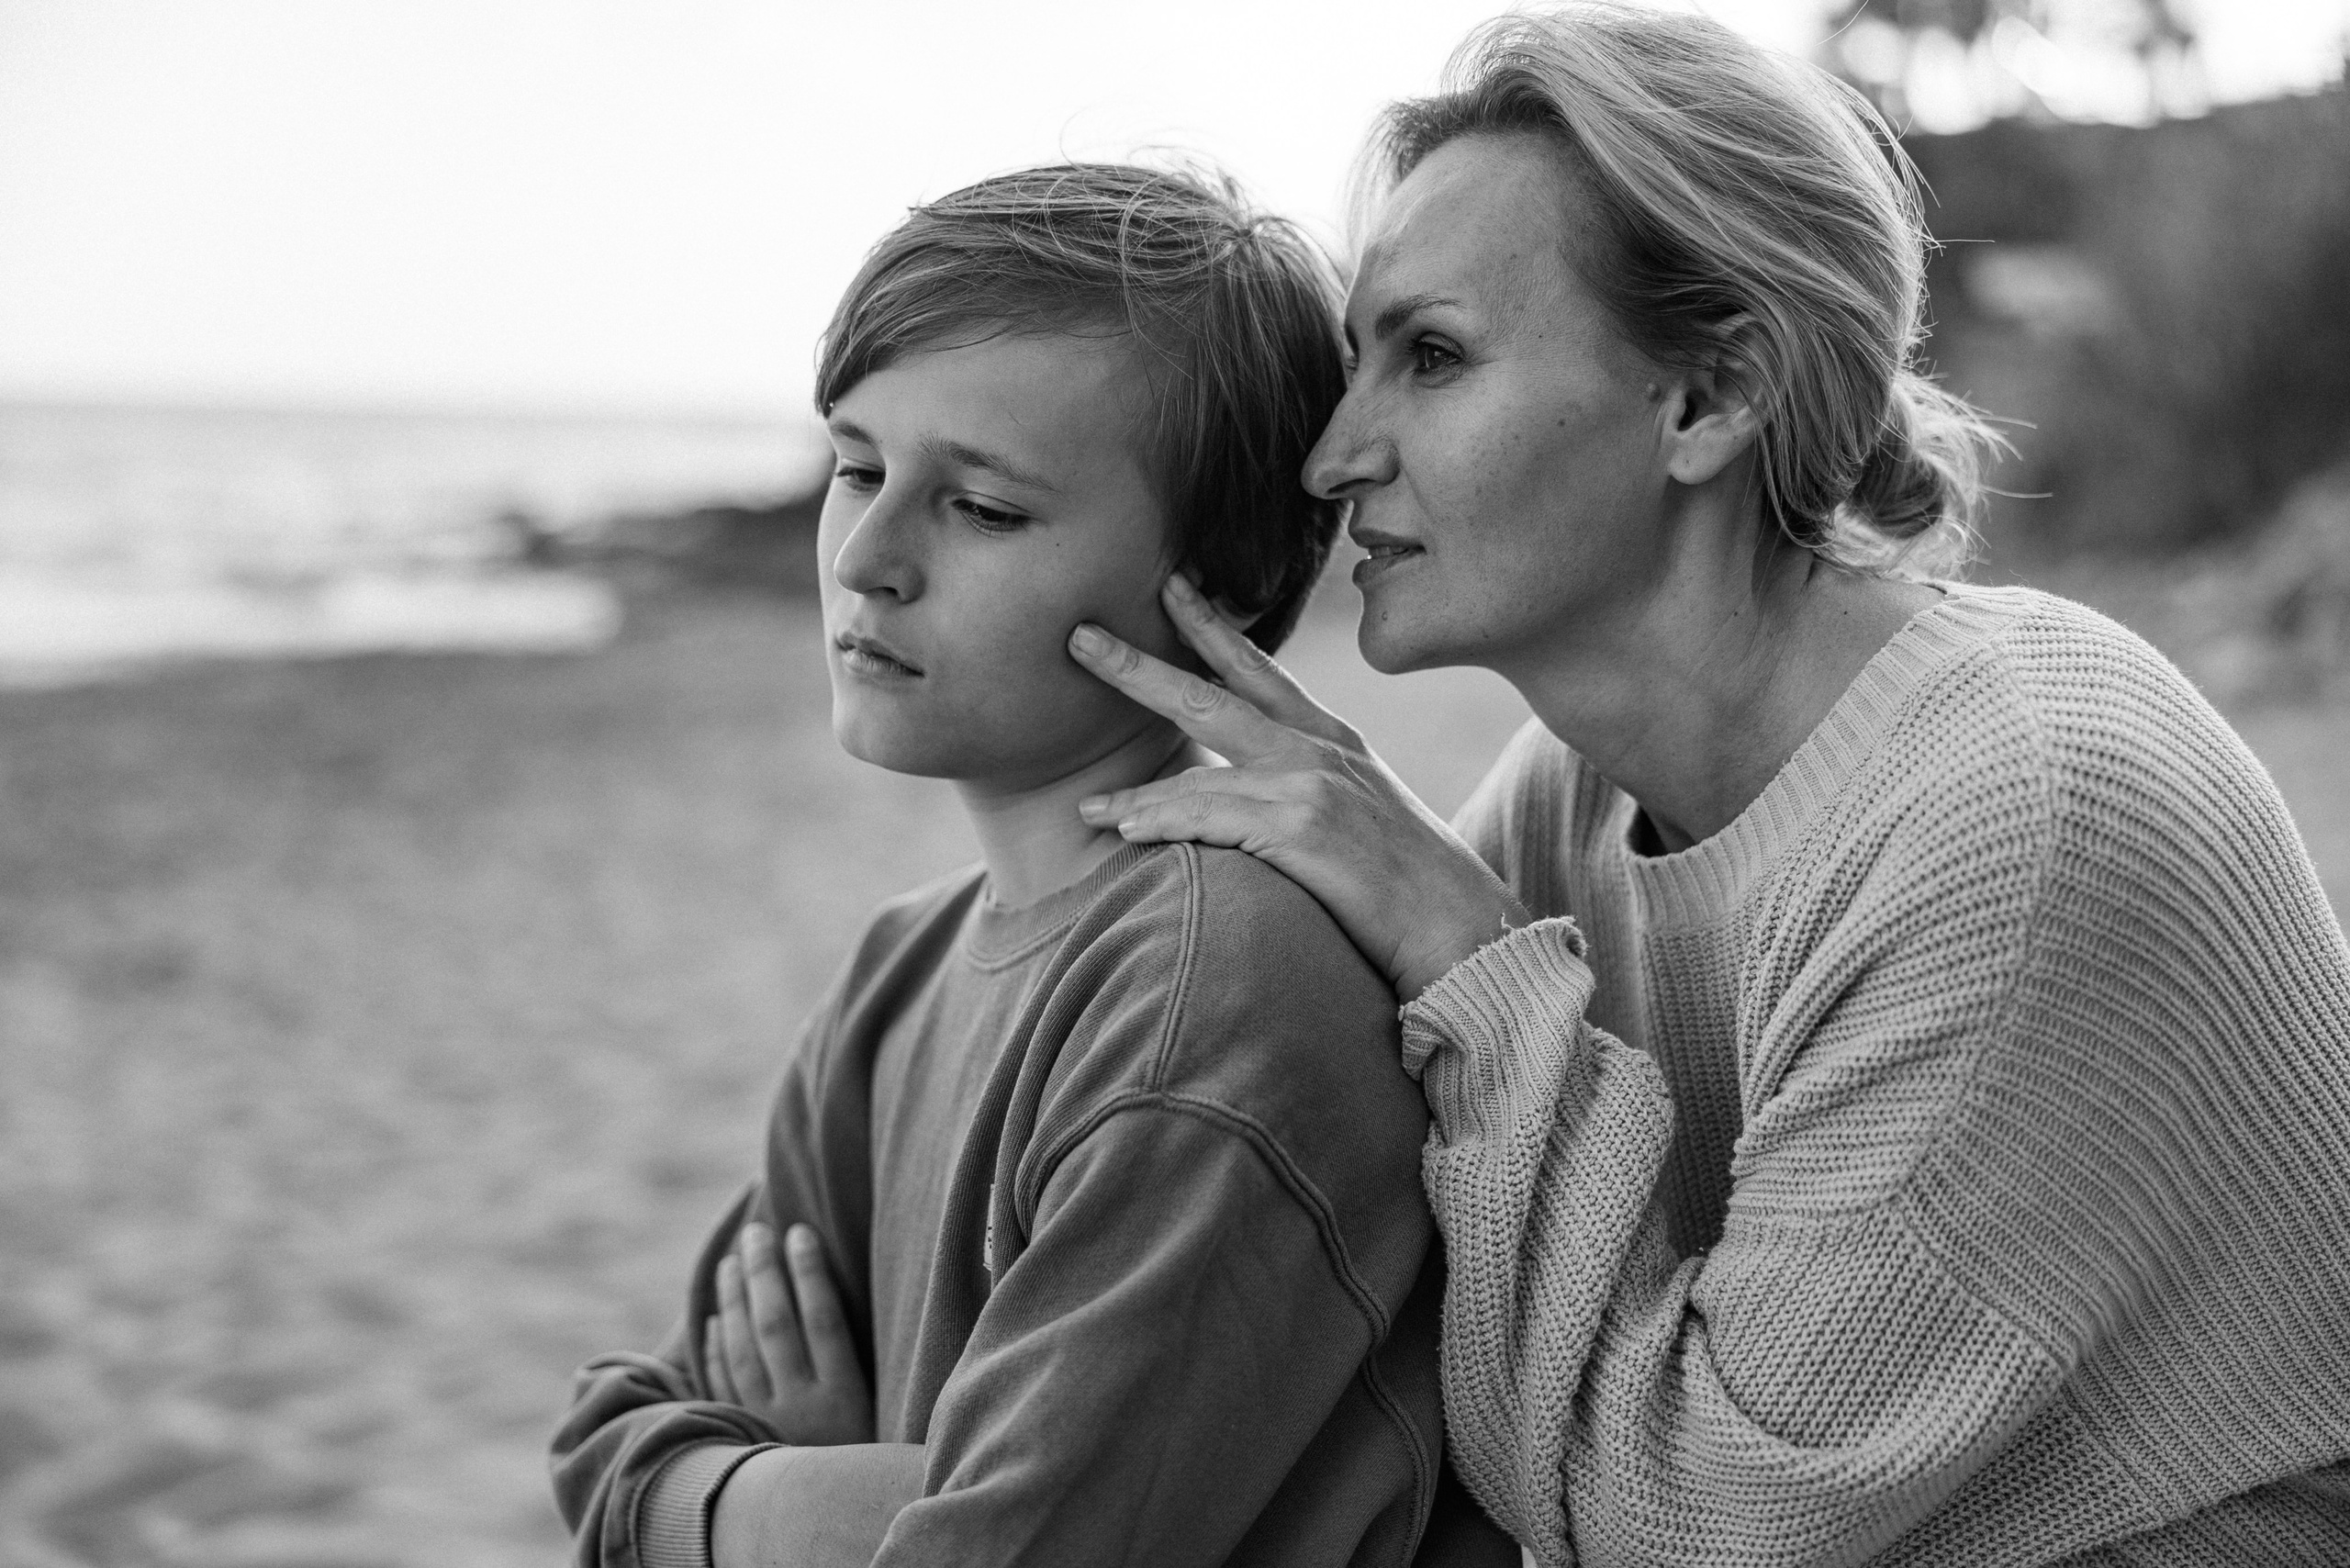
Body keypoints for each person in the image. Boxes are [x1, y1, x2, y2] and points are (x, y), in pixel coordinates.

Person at [1069, 6, 2350, 1564]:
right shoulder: (1577, 791)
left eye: (1434, 357)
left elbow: (1694, 1524)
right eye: (1357, 363)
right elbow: (1364, 1194)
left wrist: (1471, 949)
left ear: (1708, 400)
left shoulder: (2016, 819)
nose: (1334, 456)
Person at [551, 162, 1515, 1568]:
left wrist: (770, 1500)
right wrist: (860, 1494)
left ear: (1228, 585)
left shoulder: (1214, 993)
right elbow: (607, 1434)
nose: (867, 559)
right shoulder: (906, 965)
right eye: (857, 467)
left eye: (984, 509)